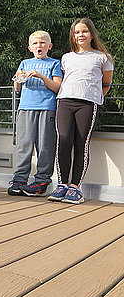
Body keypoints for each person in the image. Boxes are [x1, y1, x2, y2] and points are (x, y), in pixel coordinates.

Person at [48, 18, 114, 204]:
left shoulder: (103, 57)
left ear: (91, 33)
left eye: (84, 31)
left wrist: (94, 96)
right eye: (77, 32)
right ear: (73, 36)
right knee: (64, 140)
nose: (80, 35)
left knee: (81, 144)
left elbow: (106, 84)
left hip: (87, 104)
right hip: (65, 101)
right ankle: (62, 185)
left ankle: (75, 187)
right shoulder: (67, 57)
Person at [8, 31, 62, 196]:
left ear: (49, 46)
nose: (39, 46)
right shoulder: (24, 63)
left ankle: (41, 182)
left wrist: (39, 76)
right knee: (24, 146)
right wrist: (18, 79)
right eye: (36, 43)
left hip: (47, 108)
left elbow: (57, 87)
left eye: (43, 43)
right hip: (25, 108)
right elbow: (17, 88)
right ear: (30, 47)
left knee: (45, 146)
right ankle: (19, 180)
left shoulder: (55, 63)